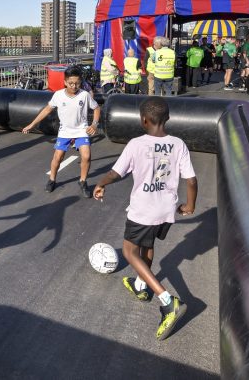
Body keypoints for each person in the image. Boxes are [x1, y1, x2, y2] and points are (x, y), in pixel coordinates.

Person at [92, 96, 198, 341]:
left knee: (129, 251)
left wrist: (100, 183)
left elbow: (115, 172)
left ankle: (166, 300)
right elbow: (191, 180)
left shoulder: (136, 144)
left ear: (143, 121)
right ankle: (141, 286)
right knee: (148, 245)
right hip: (166, 210)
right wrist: (189, 205)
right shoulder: (178, 144)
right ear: (168, 119)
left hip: (143, 209)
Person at [22, 65, 101, 197]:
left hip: (81, 130)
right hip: (65, 131)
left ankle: (83, 181)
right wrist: (32, 124)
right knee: (58, 157)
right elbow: (47, 110)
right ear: (65, 82)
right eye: (71, 83)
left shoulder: (85, 95)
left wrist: (94, 124)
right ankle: (52, 179)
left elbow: (97, 108)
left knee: (86, 156)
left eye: (77, 83)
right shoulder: (58, 95)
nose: (74, 86)